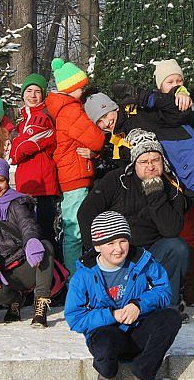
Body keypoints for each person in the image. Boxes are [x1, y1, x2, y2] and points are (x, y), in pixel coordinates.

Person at [121, 59, 194, 322]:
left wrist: (168, 96)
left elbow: (179, 113)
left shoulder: (184, 106)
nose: (176, 86)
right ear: (159, 86)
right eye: (170, 82)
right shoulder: (150, 110)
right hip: (175, 182)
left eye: (179, 81)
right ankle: (172, 296)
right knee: (174, 236)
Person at [65, 211, 182, 380]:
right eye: (110, 243)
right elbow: (75, 317)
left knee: (171, 317)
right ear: (97, 246)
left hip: (138, 329)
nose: (118, 249)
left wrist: (139, 305)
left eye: (123, 241)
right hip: (108, 334)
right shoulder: (83, 275)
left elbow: (164, 291)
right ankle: (107, 372)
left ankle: (143, 374)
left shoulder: (142, 261)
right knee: (104, 339)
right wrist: (111, 315)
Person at [77, 128, 189, 311]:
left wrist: (155, 193)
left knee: (177, 248)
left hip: (152, 252)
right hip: (117, 251)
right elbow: (86, 212)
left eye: (155, 160)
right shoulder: (117, 180)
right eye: (144, 162)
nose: (150, 166)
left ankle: (169, 306)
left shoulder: (172, 187)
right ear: (134, 163)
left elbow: (171, 230)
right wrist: (96, 249)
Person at [0, 158, 56, 328]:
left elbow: (27, 224)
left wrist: (31, 240)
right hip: (5, 269)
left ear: (7, 180)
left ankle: (40, 306)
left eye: (1, 181)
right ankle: (15, 300)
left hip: (27, 262)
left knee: (46, 246)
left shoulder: (18, 202)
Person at [45, 58, 107, 274]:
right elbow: (96, 139)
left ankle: (76, 273)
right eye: (81, 87)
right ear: (72, 88)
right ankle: (74, 277)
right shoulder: (71, 110)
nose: (83, 91)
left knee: (77, 227)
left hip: (73, 173)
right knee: (76, 229)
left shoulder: (63, 108)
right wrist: (98, 147)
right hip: (75, 175)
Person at [10, 74, 61, 248]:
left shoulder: (42, 118)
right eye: (29, 91)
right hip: (26, 184)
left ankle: (52, 265)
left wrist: (15, 149)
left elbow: (23, 148)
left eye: (37, 92)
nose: (32, 95)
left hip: (42, 185)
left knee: (43, 233)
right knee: (28, 231)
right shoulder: (23, 120)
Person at [85, 91, 132, 180]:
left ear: (115, 108)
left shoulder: (135, 120)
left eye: (105, 115)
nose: (106, 123)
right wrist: (96, 154)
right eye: (99, 121)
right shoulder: (111, 138)